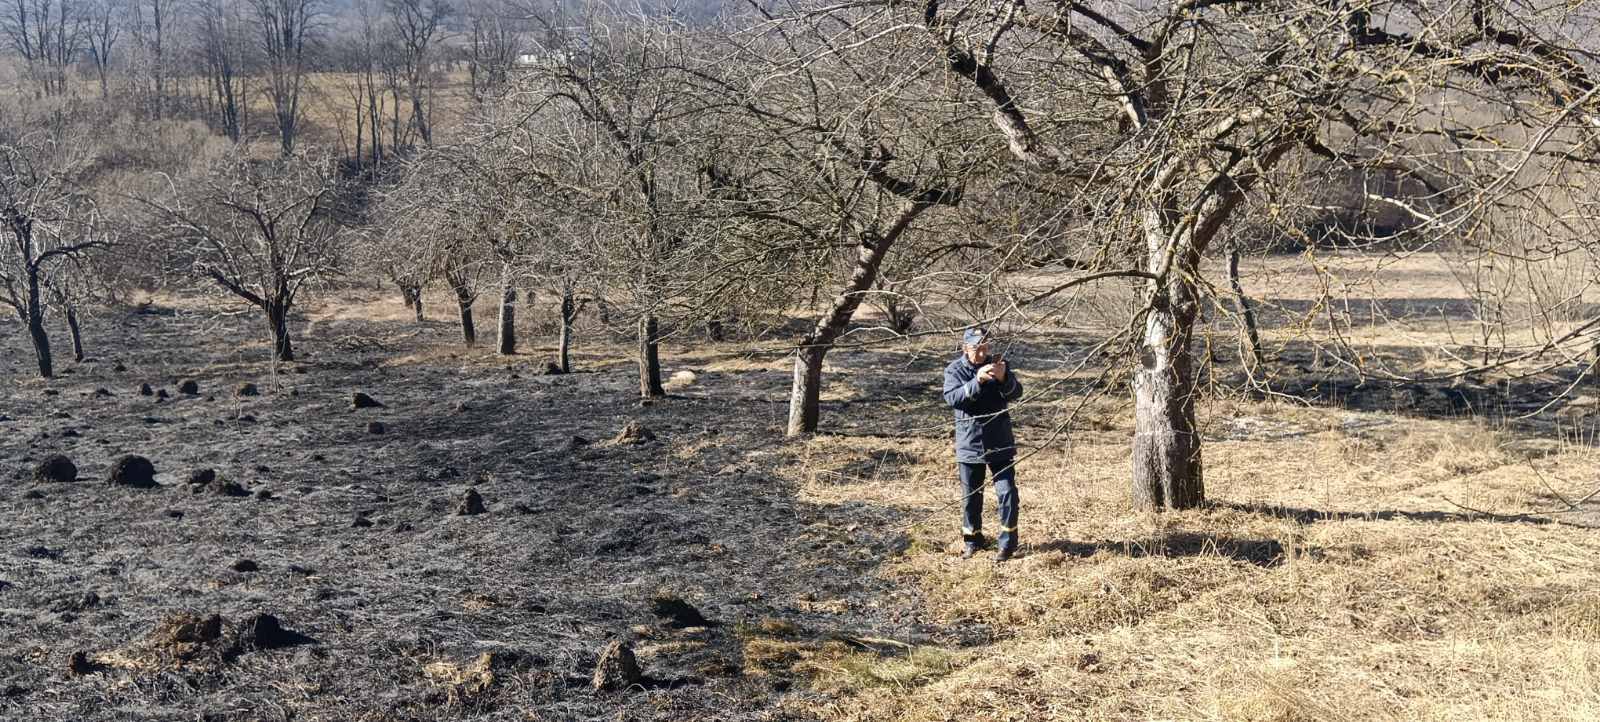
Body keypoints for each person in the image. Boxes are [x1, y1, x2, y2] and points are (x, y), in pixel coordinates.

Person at [942, 326, 1024, 562]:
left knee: (1007, 493)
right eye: (976, 348)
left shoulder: (1000, 363)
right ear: (964, 347)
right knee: (971, 497)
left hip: (1000, 441)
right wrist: (977, 381)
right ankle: (972, 540)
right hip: (970, 443)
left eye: (985, 347)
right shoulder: (954, 370)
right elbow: (953, 399)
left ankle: (1007, 543)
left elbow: (1016, 392)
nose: (982, 353)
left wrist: (1003, 378)